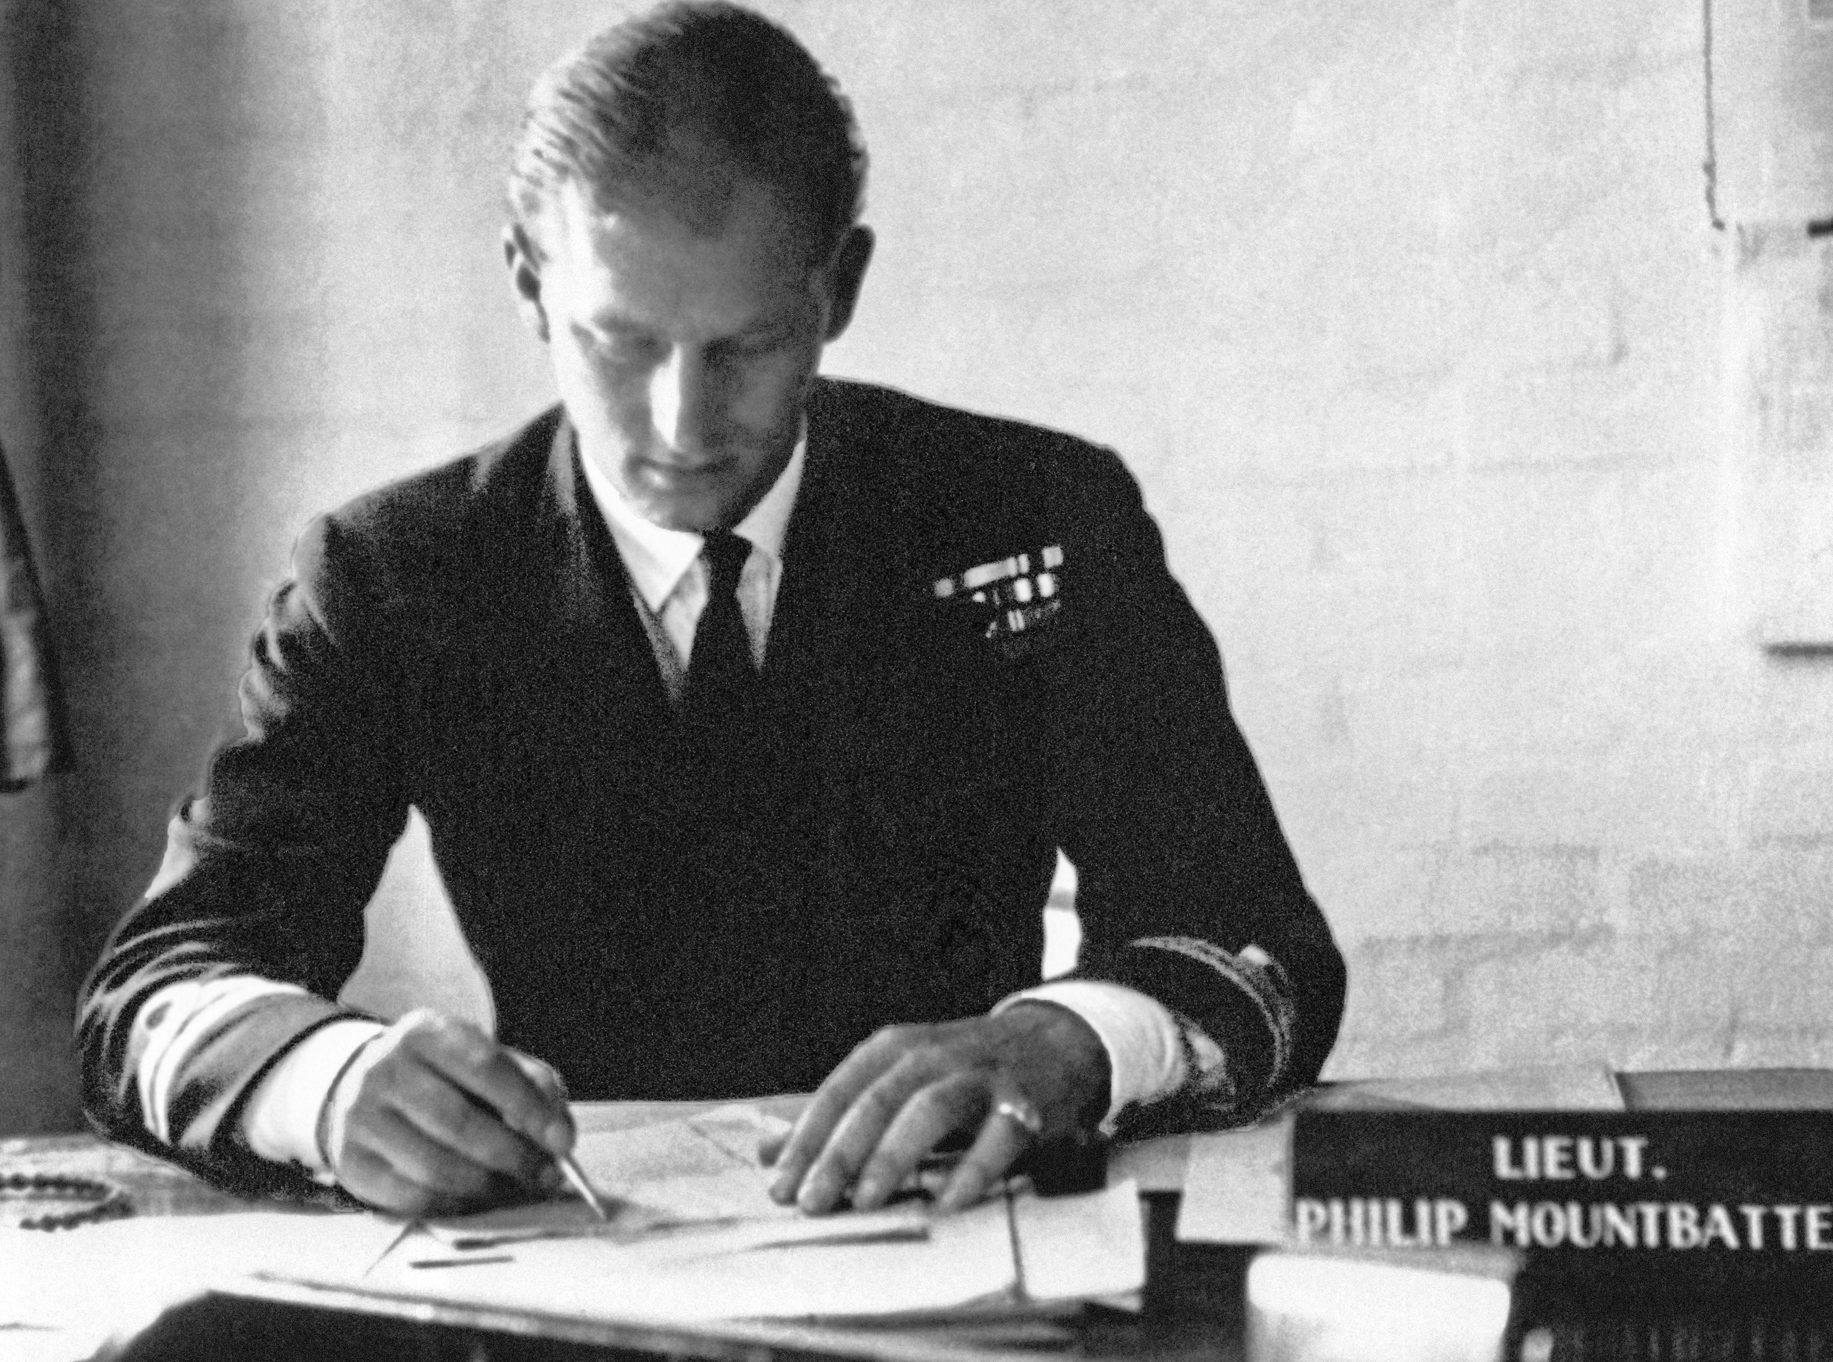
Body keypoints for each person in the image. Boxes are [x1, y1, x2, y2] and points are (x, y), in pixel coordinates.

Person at [77, 1, 1345, 1218]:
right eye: (619, 344)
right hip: (577, 1259)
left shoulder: (1035, 514)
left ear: (837, 290)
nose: (680, 428)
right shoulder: (395, 573)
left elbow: (1262, 947)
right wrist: (327, 1082)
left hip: (981, 1231)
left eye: (742, 349)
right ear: (527, 285)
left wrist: (1067, 1041)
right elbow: (147, 994)